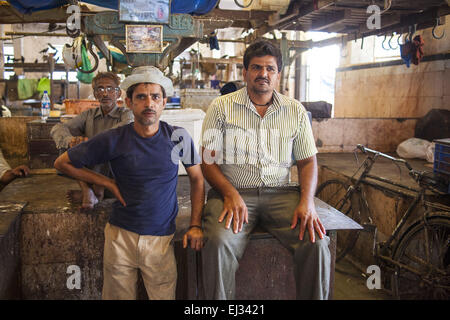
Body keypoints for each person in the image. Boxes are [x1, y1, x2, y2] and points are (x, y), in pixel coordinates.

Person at [54, 66, 204, 300]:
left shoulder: (178, 137)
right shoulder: (114, 138)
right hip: (120, 237)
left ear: (164, 102)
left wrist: (195, 224)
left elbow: (197, 179)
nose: (149, 104)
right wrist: (107, 182)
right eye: (141, 97)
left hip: (161, 239)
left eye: (155, 97)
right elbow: (62, 163)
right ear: (129, 102)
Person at [199, 40, 330, 300]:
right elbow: (207, 161)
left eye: (270, 68)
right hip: (232, 194)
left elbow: (307, 162)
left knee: (316, 242)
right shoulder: (221, 108)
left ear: (278, 74)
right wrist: (229, 193)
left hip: (281, 194)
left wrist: (307, 202)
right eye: (256, 67)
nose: (263, 74)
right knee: (217, 243)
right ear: (245, 72)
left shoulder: (295, 111)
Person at [50, 72, 134, 209]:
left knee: (108, 149)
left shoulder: (126, 114)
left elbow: (122, 130)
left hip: (114, 169)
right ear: (95, 95)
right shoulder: (88, 115)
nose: (105, 94)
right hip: (94, 166)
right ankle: (88, 190)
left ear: (118, 94)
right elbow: (58, 127)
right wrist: (71, 140)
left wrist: (91, 145)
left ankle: (96, 190)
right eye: (100, 89)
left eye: (110, 89)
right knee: (66, 147)